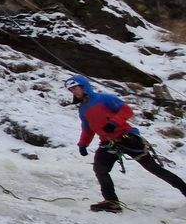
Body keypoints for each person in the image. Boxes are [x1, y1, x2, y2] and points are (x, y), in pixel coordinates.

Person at [65, 75, 186, 213]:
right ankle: (111, 202)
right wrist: (83, 144)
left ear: (84, 87)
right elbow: (87, 128)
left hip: (127, 138)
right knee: (100, 169)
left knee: (153, 168)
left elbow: (126, 110)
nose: (74, 91)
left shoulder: (105, 99)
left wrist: (113, 123)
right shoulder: (83, 109)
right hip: (108, 143)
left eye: (75, 88)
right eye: (71, 90)